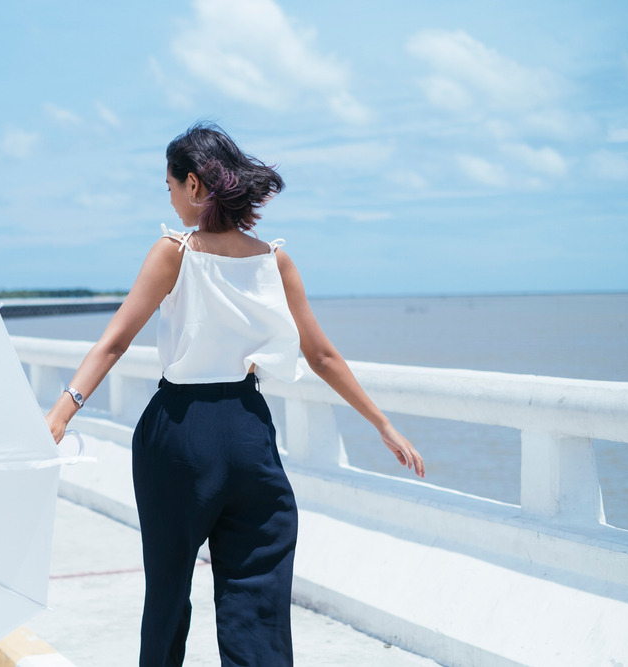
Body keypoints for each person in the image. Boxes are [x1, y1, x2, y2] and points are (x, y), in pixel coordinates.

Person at [45, 122, 424, 667]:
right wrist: (383, 425)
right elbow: (322, 357)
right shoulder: (275, 259)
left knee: (169, 592)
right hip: (249, 433)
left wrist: (61, 415)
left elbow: (113, 343)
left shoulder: (173, 252)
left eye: (171, 184)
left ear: (195, 186)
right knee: (256, 601)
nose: (170, 197)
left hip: (179, 433)